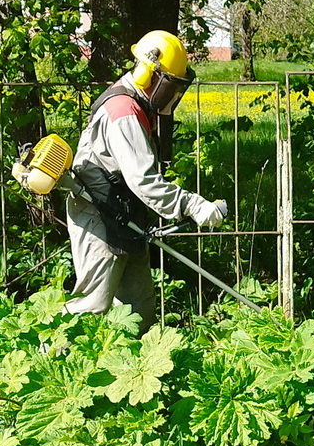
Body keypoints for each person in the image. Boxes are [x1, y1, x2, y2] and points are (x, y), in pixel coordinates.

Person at [64, 30, 226, 332]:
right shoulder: (123, 111)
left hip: (123, 214)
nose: (172, 96)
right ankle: (47, 362)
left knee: (139, 308)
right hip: (98, 214)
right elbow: (144, 181)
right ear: (148, 73)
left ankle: (142, 370)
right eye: (169, 86)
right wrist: (192, 205)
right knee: (92, 305)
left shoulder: (135, 106)